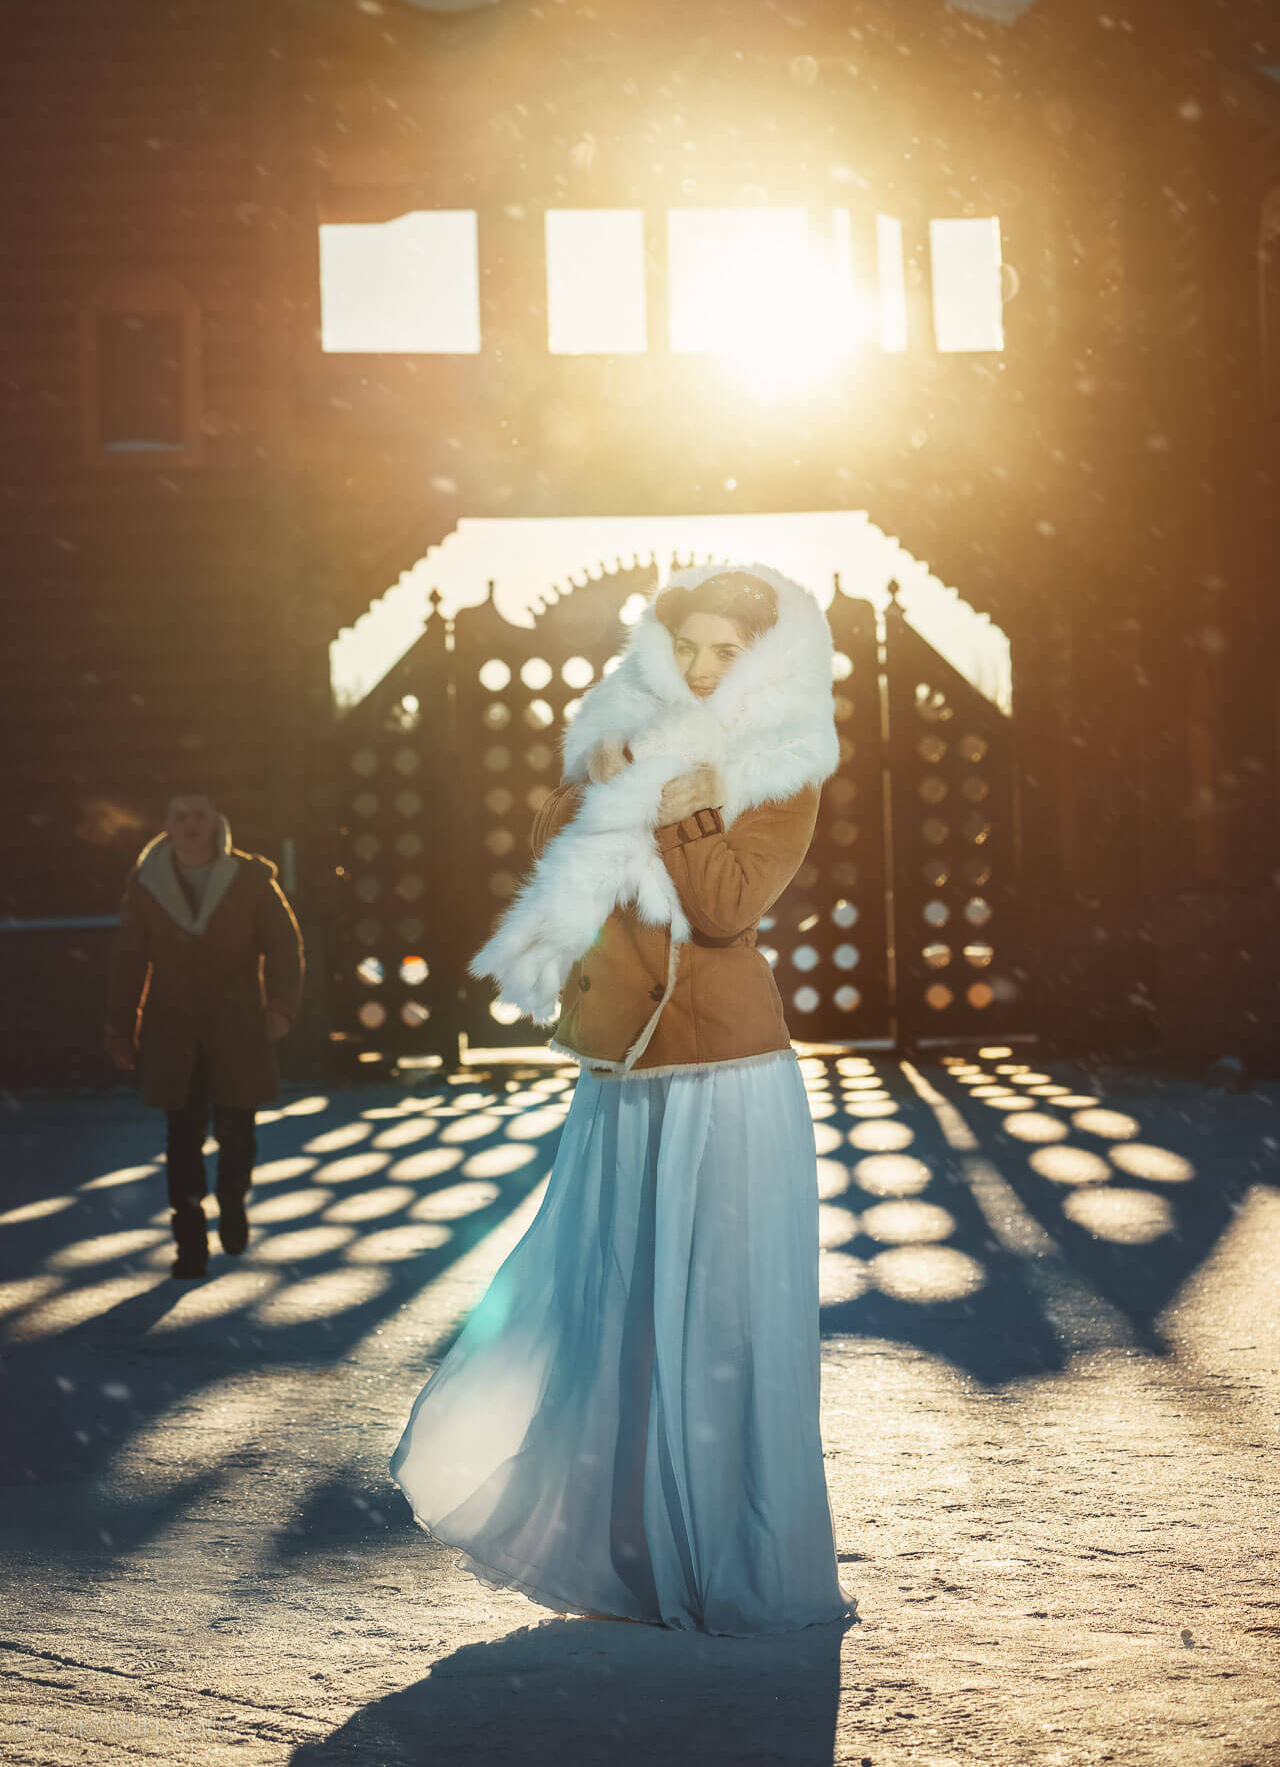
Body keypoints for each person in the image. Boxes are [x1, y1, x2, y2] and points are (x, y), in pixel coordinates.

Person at [390, 564, 860, 1638]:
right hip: (621, 1070)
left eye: (724, 652)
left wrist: (678, 805)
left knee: (718, 1322)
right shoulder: (611, 731)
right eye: (684, 647)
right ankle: (626, 1548)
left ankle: (727, 1555)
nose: (698, 669)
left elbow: (728, 909)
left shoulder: (783, 762)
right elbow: (566, 859)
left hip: (728, 1078)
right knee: (615, 1311)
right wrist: (612, 783)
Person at [104, 790, 305, 1279]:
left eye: (200, 816)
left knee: (238, 1135)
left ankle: (233, 1203)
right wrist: (120, 1027)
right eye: (181, 816)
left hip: (238, 1026)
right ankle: (189, 1244)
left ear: (216, 822)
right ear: (167, 825)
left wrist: (280, 1007)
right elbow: (128, 961)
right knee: (182, 1140)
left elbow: (285, 946)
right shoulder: (146, 885)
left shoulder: (252, 879)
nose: (192, 825)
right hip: (172, 1031)